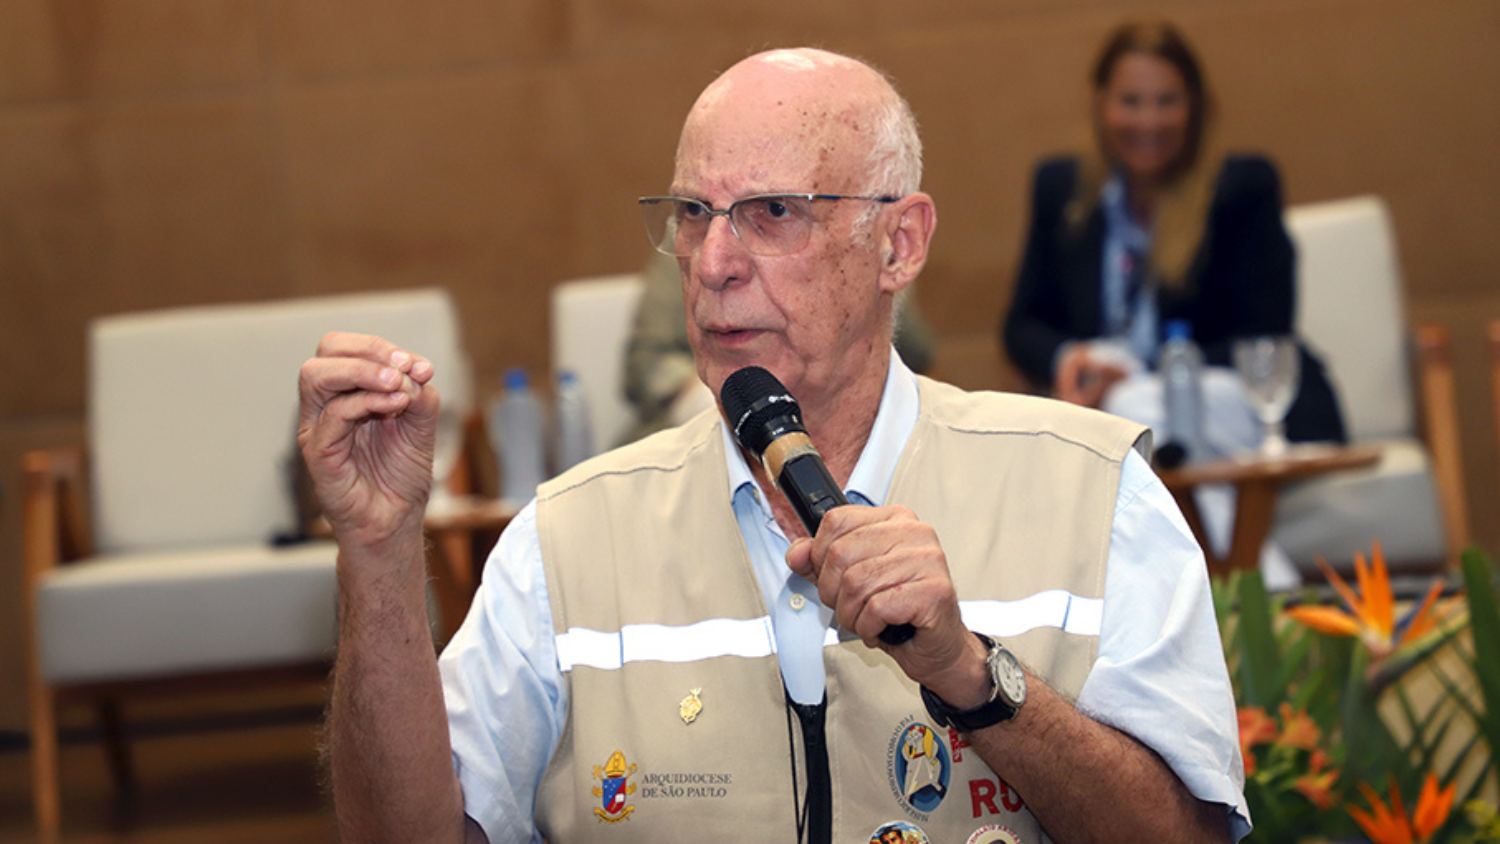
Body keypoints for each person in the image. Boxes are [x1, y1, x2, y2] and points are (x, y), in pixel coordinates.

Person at [299, 48, 1246, 844]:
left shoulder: (1092, 490)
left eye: (773, 212)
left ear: (899, 244)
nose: (713, 264)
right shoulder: (568, 540)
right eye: (692, 215)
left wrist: (970, 673)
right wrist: (378, 555)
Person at [1002, 20, 1346, 450]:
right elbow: (1022, 326)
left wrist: (1133, 369)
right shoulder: (1061, 190)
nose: (1149, 121)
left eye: (1167, 102)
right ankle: (1214, 520)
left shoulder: (1243, 189)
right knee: (1114, 418)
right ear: (1101, 103)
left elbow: (1263, 332)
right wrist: (1074, 360)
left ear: (1195, 108)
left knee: (1130, 410)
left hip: (1235, 405)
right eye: (1131, 101)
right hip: (1108, 405)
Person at [623, 249, 936, 444]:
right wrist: (732, 395)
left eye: (779, 212)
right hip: (700, 429)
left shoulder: (864, 245)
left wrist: (876, 280)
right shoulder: (696, 242)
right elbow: (645, 364)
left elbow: (918, 351)